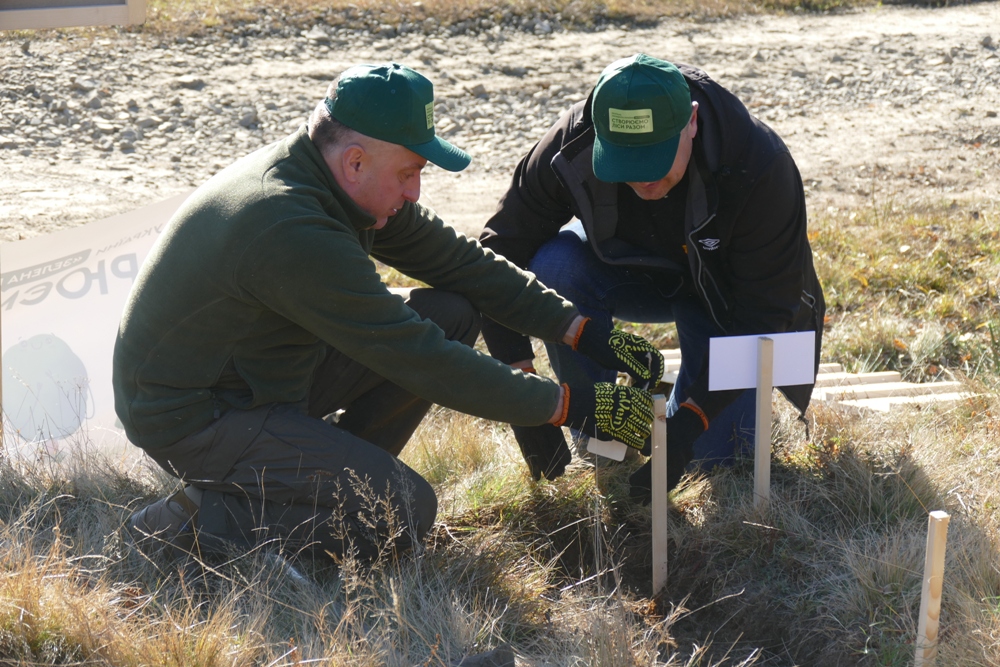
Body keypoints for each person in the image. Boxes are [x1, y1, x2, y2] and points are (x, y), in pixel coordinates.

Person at [114, 62, 663, 562]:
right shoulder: (291, 226)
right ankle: (187, 523)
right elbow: (417, 356)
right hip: (195, 416)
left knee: (449, 310)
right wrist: (566, 404)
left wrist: (579, 328)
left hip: (261, 375)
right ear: (355, 161)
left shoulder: (332, 178)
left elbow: (460, 263)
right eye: (410, 172)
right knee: (400, 512)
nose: (415, 190)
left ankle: (323, 477)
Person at [478, 54, 826, 499]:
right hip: (629, 275)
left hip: (725, 303)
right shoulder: (571, 146)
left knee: (712, 462)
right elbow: (494, 259)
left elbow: (766, 314)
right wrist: (522, 390)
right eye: (625, 163)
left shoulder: (759, 166)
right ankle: (599, 430)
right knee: (554, 267)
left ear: (692, 123)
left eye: (656, 160)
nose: (643, 181)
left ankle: (683, 412)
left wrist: (691, 421)